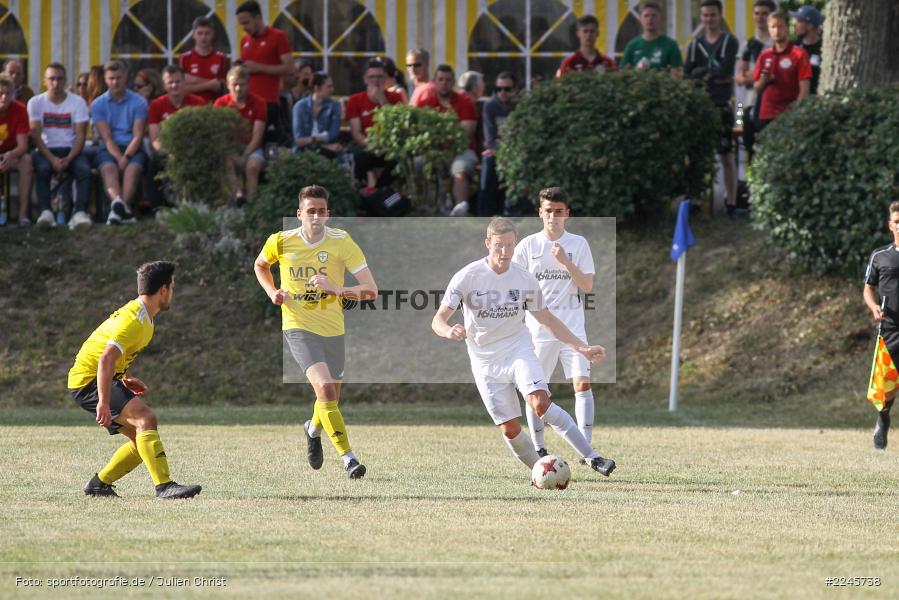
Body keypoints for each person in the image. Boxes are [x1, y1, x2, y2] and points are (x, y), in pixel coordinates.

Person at [432, 217, 616, 476]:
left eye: (510, 246)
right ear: (488, 244)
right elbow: (438, 319)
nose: (505, 252)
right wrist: (449, 330)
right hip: (485, 361)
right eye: (499, 246)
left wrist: (580, 347)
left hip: (518, 349)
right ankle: (540, 472)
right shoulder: (467, 277)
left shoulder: (524, 279)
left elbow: (548, 319)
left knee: (540, 402)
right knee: (510, 429)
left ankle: (592, 456)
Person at [253, 185, 378, 478]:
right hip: (298, 326)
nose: (316, 216)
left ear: (328, 214)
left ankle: (312, 428)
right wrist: (272, 291)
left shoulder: (341, 242)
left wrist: (338, 289)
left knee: (330, 396)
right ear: (299, 214)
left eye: (321, 211)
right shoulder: (281, 241)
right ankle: (349, 458)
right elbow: (260, 265)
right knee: (323, 389)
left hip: (333, 328)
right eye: (311, 211)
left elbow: (371, 290)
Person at [67, 261, 202, 499]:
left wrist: (124, 378)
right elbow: (105, 360)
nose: (173, 292)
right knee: (146, 420)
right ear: (163, 289)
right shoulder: (134, 320)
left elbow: (115, 356)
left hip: (98, 378)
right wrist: (104, 402)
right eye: (172, 287)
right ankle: (164, 487)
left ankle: (99, 484)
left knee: (143, 442)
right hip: (88, 381)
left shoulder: (145, 317)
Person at [512, 187, 603, 459]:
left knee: (582, 384)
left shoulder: (578, 244)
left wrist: (565, 262)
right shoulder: (528, 245)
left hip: (572, 328)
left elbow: (587, 285)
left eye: (558, 211)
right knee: (537, 390)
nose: (553, 217)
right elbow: (514, 284)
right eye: (548, 211)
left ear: (567, 214)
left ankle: (585, 449)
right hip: (538, 329)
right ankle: (539, 447)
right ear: (540, 213)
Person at [684, 0, 739, 217]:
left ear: (720, 16)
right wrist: (709, 75)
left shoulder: (729, 41)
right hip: (701, 106)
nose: (708, 19)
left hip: (722, 106)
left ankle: (731, 202)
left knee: (726, 155)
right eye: (705, 15)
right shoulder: (695, 44)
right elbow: (688, 73)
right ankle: (696, 200)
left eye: (712, 15)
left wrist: (703, 73)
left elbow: (726, 69)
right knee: (698, 155)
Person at [28, 62, 92, 229]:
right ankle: (45, 211)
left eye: (59, 79)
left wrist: (69, 158)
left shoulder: (77, 102)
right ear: (45, 81)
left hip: (71, 149)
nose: (55, 83)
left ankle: (80, 212)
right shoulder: (35, 102)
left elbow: (80, 135)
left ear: (65, 80)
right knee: (42, 168)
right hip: (45, 149)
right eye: (52, 79)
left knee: (84, 169)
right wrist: (53, 159)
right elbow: (36, 136)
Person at [413, 64, 478, 216]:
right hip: (433, 150)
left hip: (461, 149)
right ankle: (425, 207)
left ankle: (460, 209)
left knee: (460, 169)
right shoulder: (425, 103)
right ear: (434, 81)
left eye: (448, 80)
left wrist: (439, 138)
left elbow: (465, 134)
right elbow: (419, 133)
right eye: (440, 79)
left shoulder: (465, 102)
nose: (444, 83)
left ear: (453, 82)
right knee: (417, 163)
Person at [90, 60, 148, 225]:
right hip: (109, 147)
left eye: (118, 78)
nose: (115, 82)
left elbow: (137, 135)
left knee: (133, 169)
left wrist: (127, 157)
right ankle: (121, 209)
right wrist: (118, 157)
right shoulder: (98, 104)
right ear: (106, 80)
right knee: (108, 168)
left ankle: (118, 210)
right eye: (111, 78)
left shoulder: (139, 102)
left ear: (126, 78)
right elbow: (106, 137)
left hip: (133, 146)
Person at [863, 201, 899, 450]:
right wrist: (874, 307)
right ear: (890, 225)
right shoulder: (880, 256)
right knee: (888, 383)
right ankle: (883, 418)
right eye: (897, 221)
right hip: (890, 328)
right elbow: (868, 289)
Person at [147, 65, 205, 210]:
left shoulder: (198, 102)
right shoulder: (156, 105)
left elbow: (203, 133)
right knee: (154, 163)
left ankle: (199, 205)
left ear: (184, 81)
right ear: (164, 84)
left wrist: (188, 151)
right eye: (170, 82)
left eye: (178, 81)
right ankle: (158, 209)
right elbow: (154, 139)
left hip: (193, 149)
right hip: (167, 149)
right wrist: (169, 152)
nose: (174, 85)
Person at [236, 1, 293, 147]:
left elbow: (289, 68)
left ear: (258, 18)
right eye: (241, 24)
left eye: (246, 23)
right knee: (243, 143)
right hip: (245, 102)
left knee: (260, 143)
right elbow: (248, 69)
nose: (244, 28)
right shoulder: (245, 41)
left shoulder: (278, 36)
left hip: (268, 101)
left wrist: (260, 67)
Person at [346, 59, 404, 191]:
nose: (376, 81)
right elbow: (356, 132)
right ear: (365, 79)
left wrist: (382, 101)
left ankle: (379, 191)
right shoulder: (355, 100)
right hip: (366, 144)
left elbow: (397, 126)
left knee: (400, 159)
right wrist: (372, 145)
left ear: (385, 78)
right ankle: (360, 192)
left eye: (379, 76)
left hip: (389, 146)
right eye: (372, 77)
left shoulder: (396, 98)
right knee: (359, 156)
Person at [214, 65, 267, 205]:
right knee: (227, 162)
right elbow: (219, 134)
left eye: (242, 85)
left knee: (252, 167)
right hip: (229, 147)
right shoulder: (220, 104)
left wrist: (244, 156)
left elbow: (257, 136)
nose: (238, 88)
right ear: (228, 85)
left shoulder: (259, 103)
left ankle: (251, 204)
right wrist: (234, 154)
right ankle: (238, 197)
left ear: (248, 85)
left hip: (252, 147)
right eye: (234, 85)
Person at [753, 10, 812, 130]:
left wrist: (796, 114)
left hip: (788, 115)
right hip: (766, 114)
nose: (777, 31)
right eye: (773, 27)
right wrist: (764, 79)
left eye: (780, 26)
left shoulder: (799, 54)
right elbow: (757, 88)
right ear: (769, 29)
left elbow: (804, 89)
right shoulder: (765, 55)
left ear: (787, 28)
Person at [735, 0, 775, 162]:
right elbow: (739, 78)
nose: (760, 17)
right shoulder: (747, 44)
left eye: (764, 13)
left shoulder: (777, 43)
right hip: (747, 103)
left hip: (771, 104)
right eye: (757, 13)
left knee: (769, 150)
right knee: (749, 149)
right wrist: (758, 75)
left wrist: (752, 75)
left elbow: (773, 75)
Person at [478, 72, 517, 216]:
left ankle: (514, 209)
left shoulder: (520, 105)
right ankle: (485, 211)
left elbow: (523, 137)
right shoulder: (490, 106)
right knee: (488, 161)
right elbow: (489, 140)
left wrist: (506, 150)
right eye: (498, 89)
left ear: (515, 89)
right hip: (498, 151)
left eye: (507, 89)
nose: (502, 93)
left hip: (515, 151)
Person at [0, 75, 33, 226]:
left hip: (11, 153)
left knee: (26, 161)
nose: (4, 97)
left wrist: (9, 155)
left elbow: (22, 145)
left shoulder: (20, 109)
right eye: (0, 93)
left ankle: (22, 214)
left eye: (8, 93)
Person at [620, 2, 683, 76]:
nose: (650, 19)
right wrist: (636, 72)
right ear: (640, 19)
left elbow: (676, 74)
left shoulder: (671, 45)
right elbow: (623, 73)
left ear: (660, 18)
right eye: (646, 16)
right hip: (637, 86)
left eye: (654, 15)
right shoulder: (632, 45)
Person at [179, 16, 230, 104]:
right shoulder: (185, 58)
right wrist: (209, 84)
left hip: (214, 107)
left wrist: (195, 80)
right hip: (190, 108)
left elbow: (223, 87)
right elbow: (181, 88)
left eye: (207, 33)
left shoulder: (221, 58)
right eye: (200, 33)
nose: (203, 37)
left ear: (213, 34)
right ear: (193, 35)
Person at [292, 71, 343, 158]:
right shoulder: (300, 107)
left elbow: (333, 134)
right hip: (304, 151)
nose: (332, 90)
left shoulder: (335, 106)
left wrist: (310, 140)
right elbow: (299, 139)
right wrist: (323, 144)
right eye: (329, 87)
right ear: (316, 88)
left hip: (328, 152)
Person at [791, 5, 823, 95]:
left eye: (799, 21)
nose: (795, 24)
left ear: (810, 26)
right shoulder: (793, 47)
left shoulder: (824, 49)